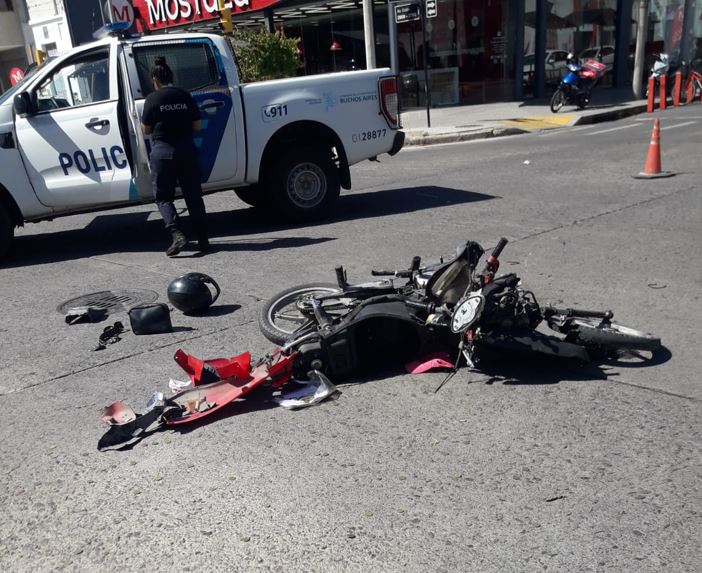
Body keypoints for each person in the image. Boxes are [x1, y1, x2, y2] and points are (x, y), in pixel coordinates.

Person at [141, 56, 210, 256]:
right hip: (186, 151)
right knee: (194, 196)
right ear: (171, 76)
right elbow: (196, 126)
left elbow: (146, 130)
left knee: (163, 198)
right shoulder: (184, 95)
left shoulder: (152, 99)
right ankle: (204, 239)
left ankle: (176, 232)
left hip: (163, 153)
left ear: (155, 79)